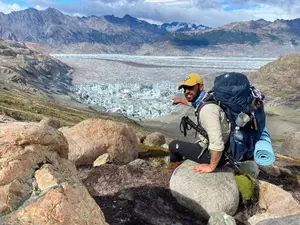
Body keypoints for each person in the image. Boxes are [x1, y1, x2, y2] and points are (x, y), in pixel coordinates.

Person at [169, 73, 230, 173]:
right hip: (224, 147)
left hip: (218, 154)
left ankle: (174, 170)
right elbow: (193, 103)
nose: (187, 91)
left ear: (201, 87)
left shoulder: (207, 110)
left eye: (190, 87)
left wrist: (211, 166)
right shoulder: (207, 99)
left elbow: (217, 143)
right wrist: (180, 100)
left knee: (173, 145)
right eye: (185, 88)